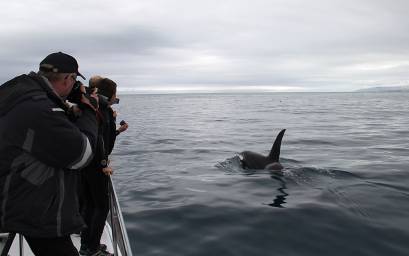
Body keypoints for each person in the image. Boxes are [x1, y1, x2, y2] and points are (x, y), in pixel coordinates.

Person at [0, 52, 99, 256]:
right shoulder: (41, 109)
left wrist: (68, 111)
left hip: (18, 196)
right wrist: (90, 112)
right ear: (67, 78)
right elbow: (83, 155)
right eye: (74, 81)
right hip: (33, 209)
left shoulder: (24, 97)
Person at [79, 77, 128, 256]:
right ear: (110, 93)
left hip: (87, 163)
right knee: (101, 207)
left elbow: (105, 138)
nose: (116, 96)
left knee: (90, 205)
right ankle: (91, 249)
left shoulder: (96, 109)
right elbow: (99, 139)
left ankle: (86, 245)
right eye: (115, 92)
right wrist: (103, 164)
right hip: (97, 166)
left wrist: (116, 129)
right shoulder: (103, 111)